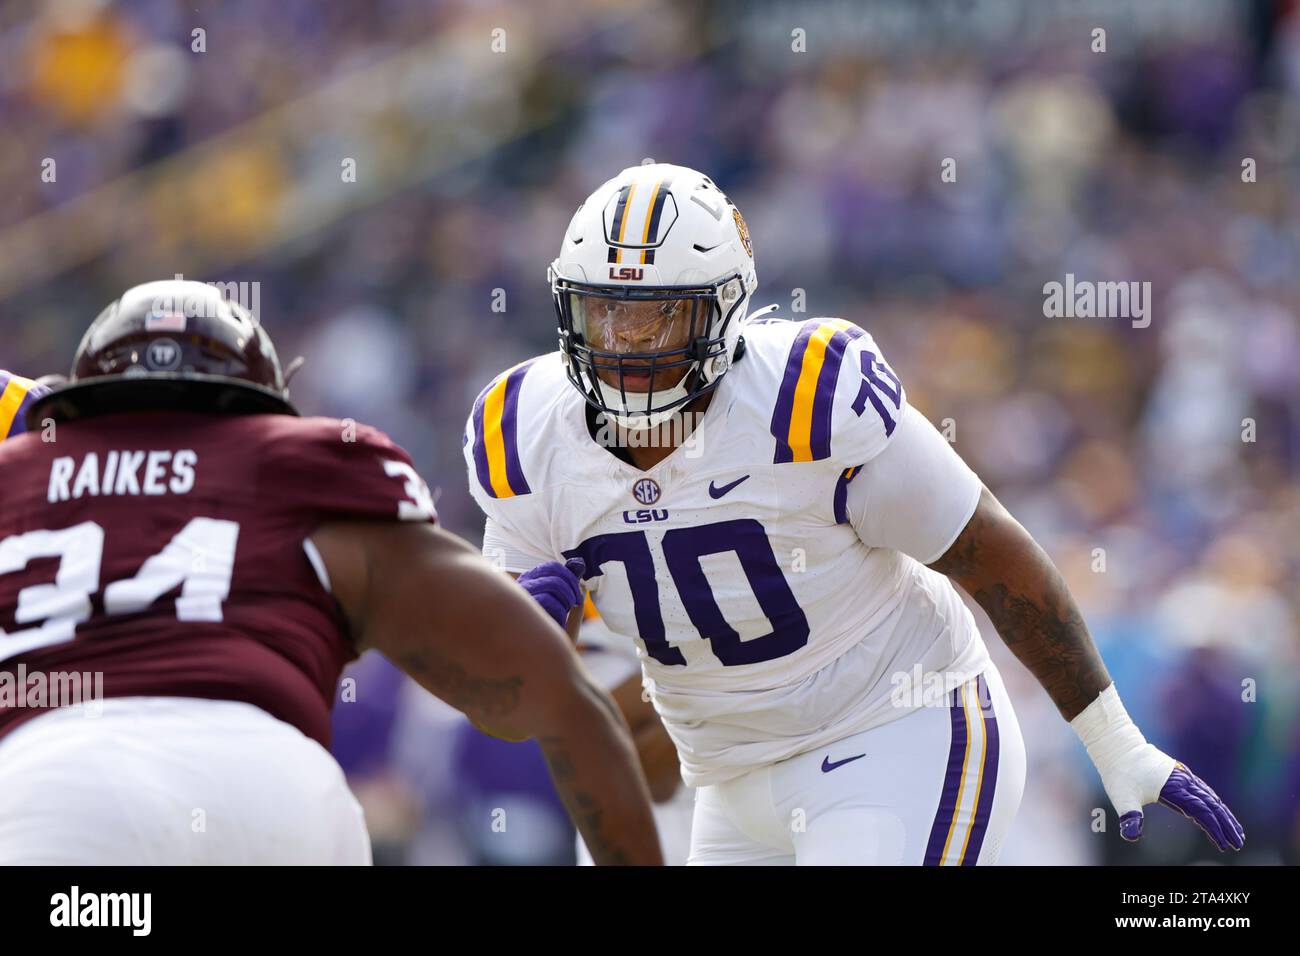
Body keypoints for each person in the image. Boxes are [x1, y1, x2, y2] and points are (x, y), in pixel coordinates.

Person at [464, 163, 1244, 865]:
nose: (627, 345)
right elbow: (506, 710)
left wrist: (1116, 744)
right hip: (729, 787)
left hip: (894, 731)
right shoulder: (527, 434)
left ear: (724, 313)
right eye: (606, 313)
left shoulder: (807, 400)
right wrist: (522, 647)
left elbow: (992, 556)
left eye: (657, 316)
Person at [0, 279, 661, 866]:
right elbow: (550, 703)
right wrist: (535, 639)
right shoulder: (304, 464)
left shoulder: (16, 478)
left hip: (54, 785)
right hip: (273, 791)